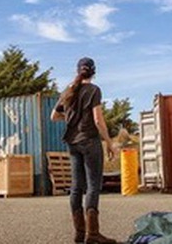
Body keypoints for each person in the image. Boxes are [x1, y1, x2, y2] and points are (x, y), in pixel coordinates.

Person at [51, 57, 119, 244]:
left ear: (77, 71)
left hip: (73, 143)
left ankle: (79, 233)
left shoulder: (68, 91)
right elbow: (98, 120)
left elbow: (54, 116)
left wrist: (72, 116)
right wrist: (110, 142)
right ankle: (93, 234)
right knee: (93, 186)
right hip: (89, 141)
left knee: (76, 187)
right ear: (94, 72)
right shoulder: (94, 90)